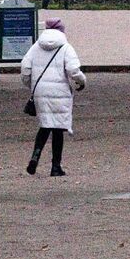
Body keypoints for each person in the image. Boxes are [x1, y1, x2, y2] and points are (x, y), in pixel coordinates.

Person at [19, 18, 86, 176]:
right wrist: (81, 81)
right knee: (57, 129)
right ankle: (56, 166)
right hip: (60, 92)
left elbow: (25, 68)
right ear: (62, 30)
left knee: (45, 125)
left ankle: (35, 155)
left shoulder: (35, 47)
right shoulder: (66, 47)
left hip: (40, 92)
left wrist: (32, 86)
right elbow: (73, 70)